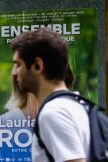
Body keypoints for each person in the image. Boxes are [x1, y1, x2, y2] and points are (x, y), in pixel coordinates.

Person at [10, 28, 90, 162]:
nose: (14, 72)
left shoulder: (54, 113)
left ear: (37, 65)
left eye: (18, 65)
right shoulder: (81, 106)